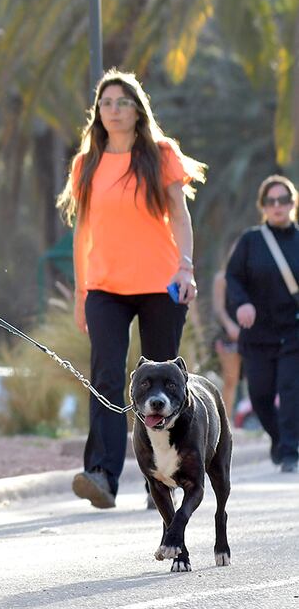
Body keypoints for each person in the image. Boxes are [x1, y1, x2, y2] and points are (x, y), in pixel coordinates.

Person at [56, 69, 207, 509]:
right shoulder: (87, 164)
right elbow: (83, 233)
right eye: (106, 102)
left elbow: (180, 215)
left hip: (161, 285)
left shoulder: (161, 154)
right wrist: (82, 294)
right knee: (105, 376)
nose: (114, 110)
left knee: (162, 384)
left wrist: (186, 268)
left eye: (123, 102)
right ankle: (101, 474)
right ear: (97, 112)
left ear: (137, 110)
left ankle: (160, 479)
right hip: (105, 288)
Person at [225, 174, 299, 473]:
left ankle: (290, 450)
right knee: (260, 395)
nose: (277, 205)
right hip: (257, 334)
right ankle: (281, 439)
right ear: (263, 206)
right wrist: (242, 303)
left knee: (290, 390)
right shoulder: (250, 241)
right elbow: (233, 277)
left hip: (293, 331)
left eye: (283, 200)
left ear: (292, 203)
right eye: (271, 201)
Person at [212, 253, 243, 418]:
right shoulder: (222, 278)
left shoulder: (253, 277)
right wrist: (230, 326)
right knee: (231, 380)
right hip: (228, 336)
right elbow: (219, 309)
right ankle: (224, 421)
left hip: (253, 335)